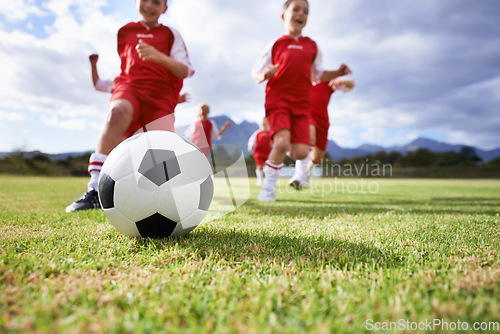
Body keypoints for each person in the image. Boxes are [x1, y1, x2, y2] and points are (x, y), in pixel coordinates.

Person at [66, 0, 194, 212]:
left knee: (160, 147)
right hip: (130, 87)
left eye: (157, 2)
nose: (150, 6)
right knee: (117, 112)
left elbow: (185, 70)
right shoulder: (125, 32)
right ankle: (96, 189)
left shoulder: (171, 34)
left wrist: (158, 56)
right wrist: (94, 66)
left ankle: (156, 198)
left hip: (161, 95)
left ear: (165, 8)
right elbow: (112, 77)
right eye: (145, 0)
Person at [251, 0, 351, 201]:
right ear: (283, 16)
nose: (301, 13)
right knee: (281, 143)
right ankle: (268, 190)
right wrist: (264, 74)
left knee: (300, 152)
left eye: (305, 11)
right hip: (278, 101)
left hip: (302, 105)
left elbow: (319, 73)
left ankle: (284, 153)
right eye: (296, 9)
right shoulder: (276, 44)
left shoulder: (312, 46)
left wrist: (338, 72)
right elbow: (255, 72)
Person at [289, 75, 355, 190]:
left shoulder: (327, 81)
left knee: (316, 159)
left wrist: (342, 80)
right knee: (309, 138)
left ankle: (305, 174)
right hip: (306, 115)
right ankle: (298, 176)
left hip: (322, 120)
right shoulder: (302, 79)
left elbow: (350, 84)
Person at [89, 53, 191, 102]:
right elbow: (98, 84)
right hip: (122, 120)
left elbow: (159, 94)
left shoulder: (147, 77)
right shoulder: (117, 78)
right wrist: (93, 65)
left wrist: (177, 99)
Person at [247, 117, 272, 186]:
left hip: (268, 153)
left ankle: (267, 180)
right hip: (259, 153)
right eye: (262, 122)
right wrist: (250, 146)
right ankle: (260, 180)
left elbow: (273, 143)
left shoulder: (270, 133)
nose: (264, 123)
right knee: (259, 166)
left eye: (265, 122)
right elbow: (252, 141)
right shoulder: (257, 133)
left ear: (268, 123)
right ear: (259, 124)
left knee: (268, 167)